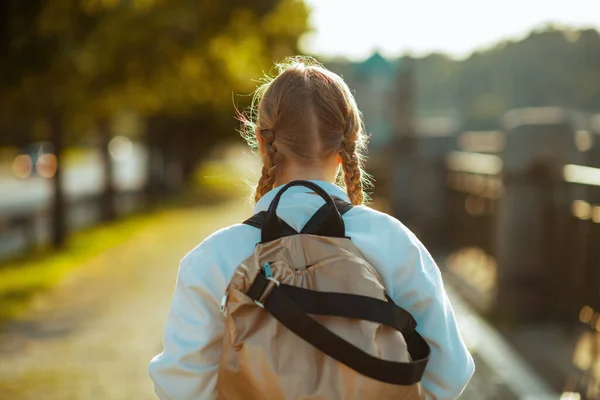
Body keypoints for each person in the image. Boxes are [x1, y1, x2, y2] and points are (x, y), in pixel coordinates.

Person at [149, 56, 474, 399]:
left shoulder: (212, 259)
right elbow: (450, 372)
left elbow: (179, 385)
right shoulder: (392, 242)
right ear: (349, 143)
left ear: (261, 141)